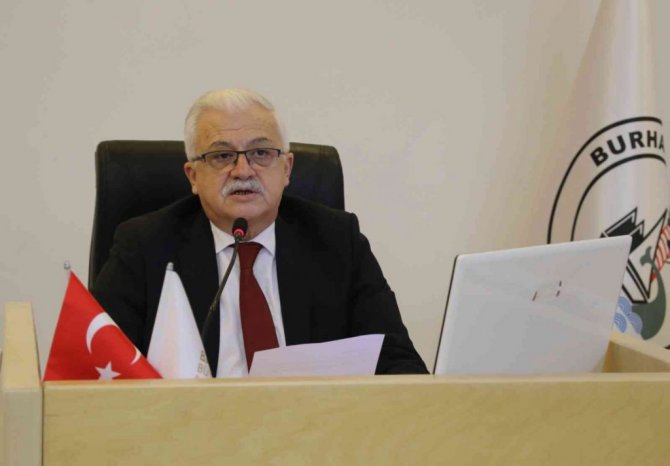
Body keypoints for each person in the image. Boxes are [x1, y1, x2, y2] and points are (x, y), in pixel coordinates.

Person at [92, 88, 428, 376]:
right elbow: (95, 373)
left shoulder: (338, 241)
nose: (243, 170)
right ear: (193, 176)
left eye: (261, 153)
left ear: (287, 168)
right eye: (222, 155)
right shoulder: (144, 247)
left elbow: (398, 364)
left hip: (316, 426)